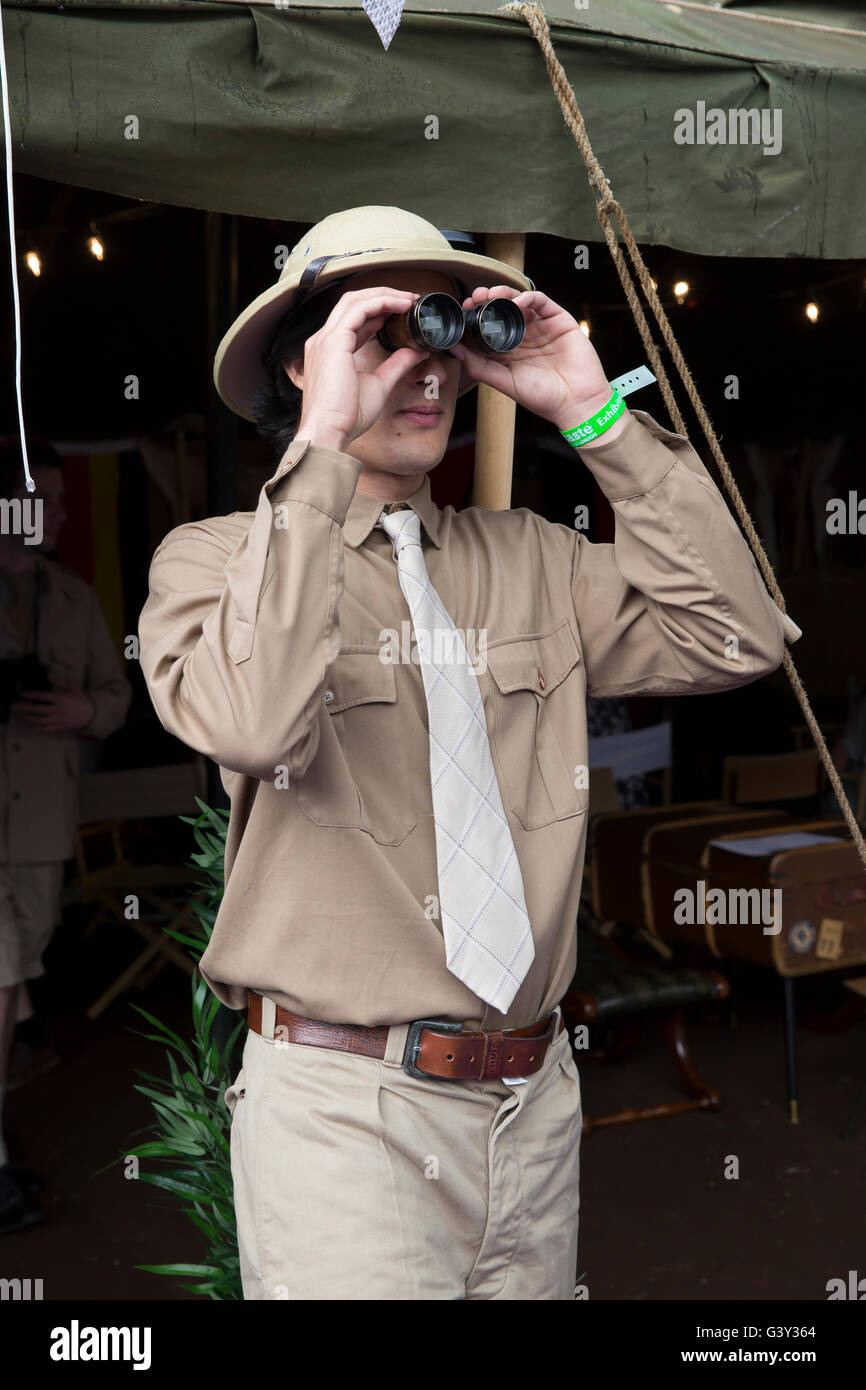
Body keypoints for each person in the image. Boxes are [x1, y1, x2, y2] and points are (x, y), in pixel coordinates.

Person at [138, 206, 798, 1300]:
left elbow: (735, 635)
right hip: (343, 1115)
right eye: (381, 336)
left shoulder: (530, 557)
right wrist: (317, 452)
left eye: (440, 339)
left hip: (531, 1101)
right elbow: (251, 723)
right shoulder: (215, 561)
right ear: (301, 367)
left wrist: (596, 415)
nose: (427, 369)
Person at [0, 438, 132, 1232]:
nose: (57, 515)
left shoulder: (76, 599)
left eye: (61, 500)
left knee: (15, 976)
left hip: (43, 818)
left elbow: (117, 693)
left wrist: (85, 711)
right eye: (40, 500)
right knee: (1, 977)